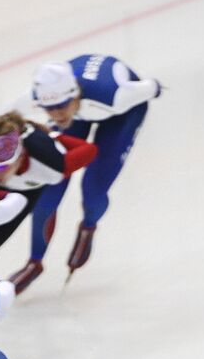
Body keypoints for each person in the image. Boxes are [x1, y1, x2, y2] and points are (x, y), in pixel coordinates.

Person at [9, 55, 161, 293]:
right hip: (80, 113)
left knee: (93, 189)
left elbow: (153, 87)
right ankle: (34, 262)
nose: (57, 114)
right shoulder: (30, 99)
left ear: (75, 94)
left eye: (61, 105)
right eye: (49, 109)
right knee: (48, 188)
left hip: (121, 114)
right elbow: (1, 124)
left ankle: (89, 225)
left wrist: (152, 88)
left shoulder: (117, 97)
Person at [0, 112, 98, 273]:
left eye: (1, 166)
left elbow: (90, 149)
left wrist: (53, 136)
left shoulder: (50, 164)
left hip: (28, 190)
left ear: (20, 156)